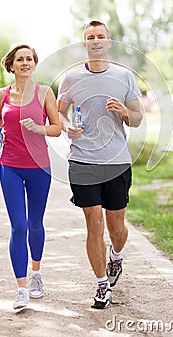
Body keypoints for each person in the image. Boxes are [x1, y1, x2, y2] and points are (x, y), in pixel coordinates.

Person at [58, 20, 143, 309]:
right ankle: (101, 286)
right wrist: (68, 127)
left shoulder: (124, 77)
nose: (96, 40)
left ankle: (116, 258)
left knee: (116, 229)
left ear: (108, 43)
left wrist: (124, 111)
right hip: (82, 160)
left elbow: (138, 118)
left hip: (117, 162)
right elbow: (60, 116)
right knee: (94, 226)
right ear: (85, 44)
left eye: (101, 36)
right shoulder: (70, 79)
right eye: (90, 37)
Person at [0, 44, 61, 309]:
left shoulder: (44, 93)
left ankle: (37, 274)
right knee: (18, 226)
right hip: (10, 166)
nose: (25, 63)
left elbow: (57, 129)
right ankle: (21, 289)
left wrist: (39, 128)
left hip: (40, 167)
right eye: (20, 59)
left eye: (29, 59)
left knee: (34, 224)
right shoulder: (1, 94)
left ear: (34, 63)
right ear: (11, 64)